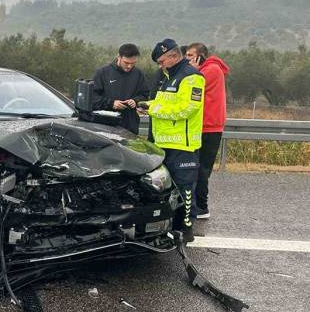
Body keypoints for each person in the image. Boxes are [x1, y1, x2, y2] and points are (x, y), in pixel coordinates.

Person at [143, 39, 205, 243]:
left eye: (161, 61)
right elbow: (164, 102)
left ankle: (186, 228)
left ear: (173, 56)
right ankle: (167, 225)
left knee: (185, 189)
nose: (160, 66)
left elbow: (187, 109)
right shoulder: (168, 77)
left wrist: (154, 109)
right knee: (164, 187)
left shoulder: (192, 77)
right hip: (163, 143)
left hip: (183, 145)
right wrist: (146, 105)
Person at [185, 42, 230, 219]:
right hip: (205, 125)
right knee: (197, 167)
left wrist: (192, 70)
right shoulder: (208, 69)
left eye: (190, 55)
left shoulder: (210, 70)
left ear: (200, 56)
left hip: (209, 126)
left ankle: (201, 207)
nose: (186, 59)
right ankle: (197, 205)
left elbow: (192, 86)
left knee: (202, 169)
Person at [91, 43, 150, 135]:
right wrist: (111, 103)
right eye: (126, 63)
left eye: (133, 63)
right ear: (119, 57)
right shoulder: (103, 73)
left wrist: (135, 101)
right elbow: (92, 97)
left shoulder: (138, 74)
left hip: (130, 126)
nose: (129, 66)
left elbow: (145, 95)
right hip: (106, 126)